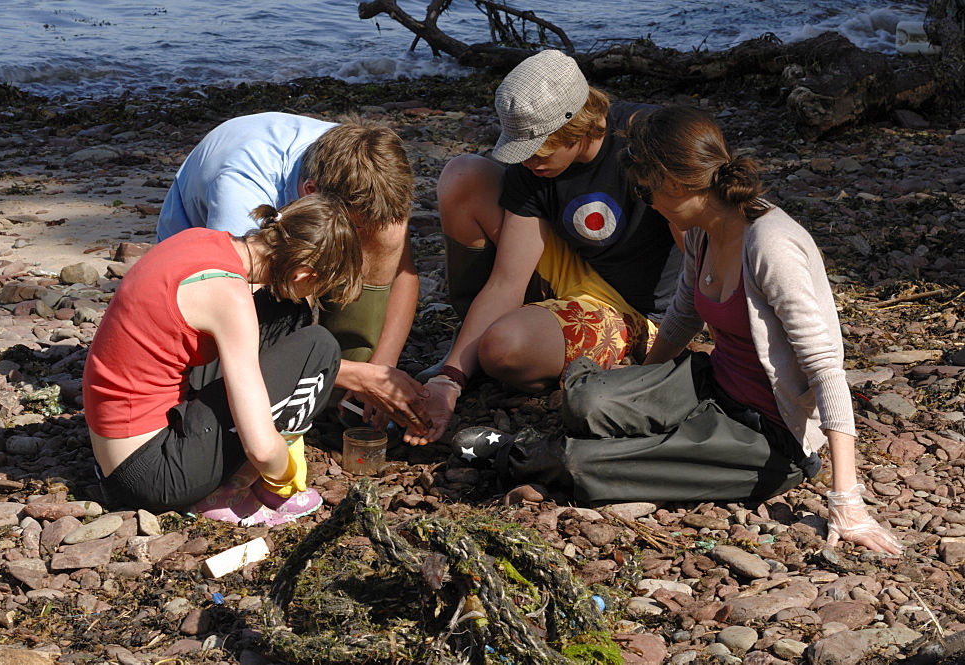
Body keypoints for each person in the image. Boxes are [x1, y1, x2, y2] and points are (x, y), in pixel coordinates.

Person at [451, 105, 901, 555]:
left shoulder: (770, 246)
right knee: (589, 399)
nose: (647, 203)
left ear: (677, 184)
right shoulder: (703, 230)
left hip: (770, 436)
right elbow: (683, 316)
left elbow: (825, 368)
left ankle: (521, 452)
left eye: (646, 193)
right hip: (714, 384)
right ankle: (630, 432)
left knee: (586, 466)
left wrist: (848, 499)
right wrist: (635, 387)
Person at [408, 49, 683, 445]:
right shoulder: (531, 166)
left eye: (539, 148)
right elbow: (506, 280)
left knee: (503, 348)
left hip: (635, 310)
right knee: (464, 175)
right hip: (572, 268)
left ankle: (514, 341)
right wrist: (450, 378)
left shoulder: (646, 139)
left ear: (578, 125)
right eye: (521, 148)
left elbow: (701, 245)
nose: (530, 161)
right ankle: (468, 347)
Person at [85, 195, 363, 525]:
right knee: (319, 349)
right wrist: (282, 473)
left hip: (118, 450)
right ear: (304, 273)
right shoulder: (229, 298)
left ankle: (227, 467)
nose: (312, 296)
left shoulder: (202, 239)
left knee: (285, 310)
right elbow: (261, 449)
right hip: (152, 476)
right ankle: (233, 491)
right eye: (317, 286)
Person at [157, 112, 428, 433]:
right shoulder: (243, 192)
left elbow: (404, 275)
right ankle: (332, 376)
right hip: (204, 281)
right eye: (353, 228)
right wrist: (354, 375)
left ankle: (345, 384)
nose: (356, 243)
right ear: (311, 193)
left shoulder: (363, 159)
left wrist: (382, 367)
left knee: (389, 230)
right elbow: (233, 331)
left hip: (291, 239)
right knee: (237, 368)